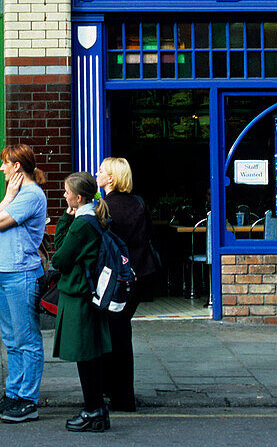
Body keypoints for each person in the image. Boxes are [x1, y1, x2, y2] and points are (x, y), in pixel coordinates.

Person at [0, 144, 48, 424]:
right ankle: (14, 393)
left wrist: (8, 195)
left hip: (20, 273)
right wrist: (10, 194)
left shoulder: (31, 194)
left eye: (5, 163)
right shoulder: (20, 193)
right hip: (3, 271)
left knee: (27, 339)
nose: (1, 168)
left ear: (17, 166)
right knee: (11, 339)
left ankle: (27, 400)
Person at [52, 172, 113, 433]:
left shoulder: (82, 224)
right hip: (88, 294)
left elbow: (59, 259)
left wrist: (66, 217)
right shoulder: (90, 218)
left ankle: (93, 410)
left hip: (79, 296)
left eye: (67, 192)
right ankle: (95, 409)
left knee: (85, 357)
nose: (64, 195)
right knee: (89, 356)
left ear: (78, 197)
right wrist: (68, 213)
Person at [96, 157, 157, 412]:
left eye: (101, 171)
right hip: (140, 275)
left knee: (114, 334)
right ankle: (121, 393)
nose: (97, 174)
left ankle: (119, 395)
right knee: (120, 332)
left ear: (111, 178)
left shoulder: (104, 207)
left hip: (117, 279)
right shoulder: (138, 203)